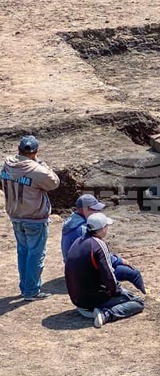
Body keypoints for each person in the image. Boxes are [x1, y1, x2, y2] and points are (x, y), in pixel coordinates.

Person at [2, 135, 60, 300]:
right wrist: (41, 163)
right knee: (36, 254)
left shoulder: (7, 164)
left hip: (15, 215)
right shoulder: (36, 169)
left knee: (23, 252)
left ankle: (25, 287)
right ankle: (31, 291)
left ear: (18, 150)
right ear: (36, 152)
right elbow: (54, 182)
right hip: (34, 218)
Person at [65, 213, 145, 328]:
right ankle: (105, 314)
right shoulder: (99, 245)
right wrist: (119, 292)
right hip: (91, 301)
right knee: (138, 302)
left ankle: (98, 308)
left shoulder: (78, 241)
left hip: (78, 301)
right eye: (106, 226)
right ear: (102, 229)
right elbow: (108, 275)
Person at [61, 193, 146, 293]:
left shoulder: (72, 221)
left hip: (74, 267)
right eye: (94, 209)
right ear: (82, 209)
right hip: (84, 271)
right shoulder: (83, 230)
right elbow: (99, 255)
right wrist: (119, 260)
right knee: (133, 273)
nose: (98, 211)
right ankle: (144, 294)